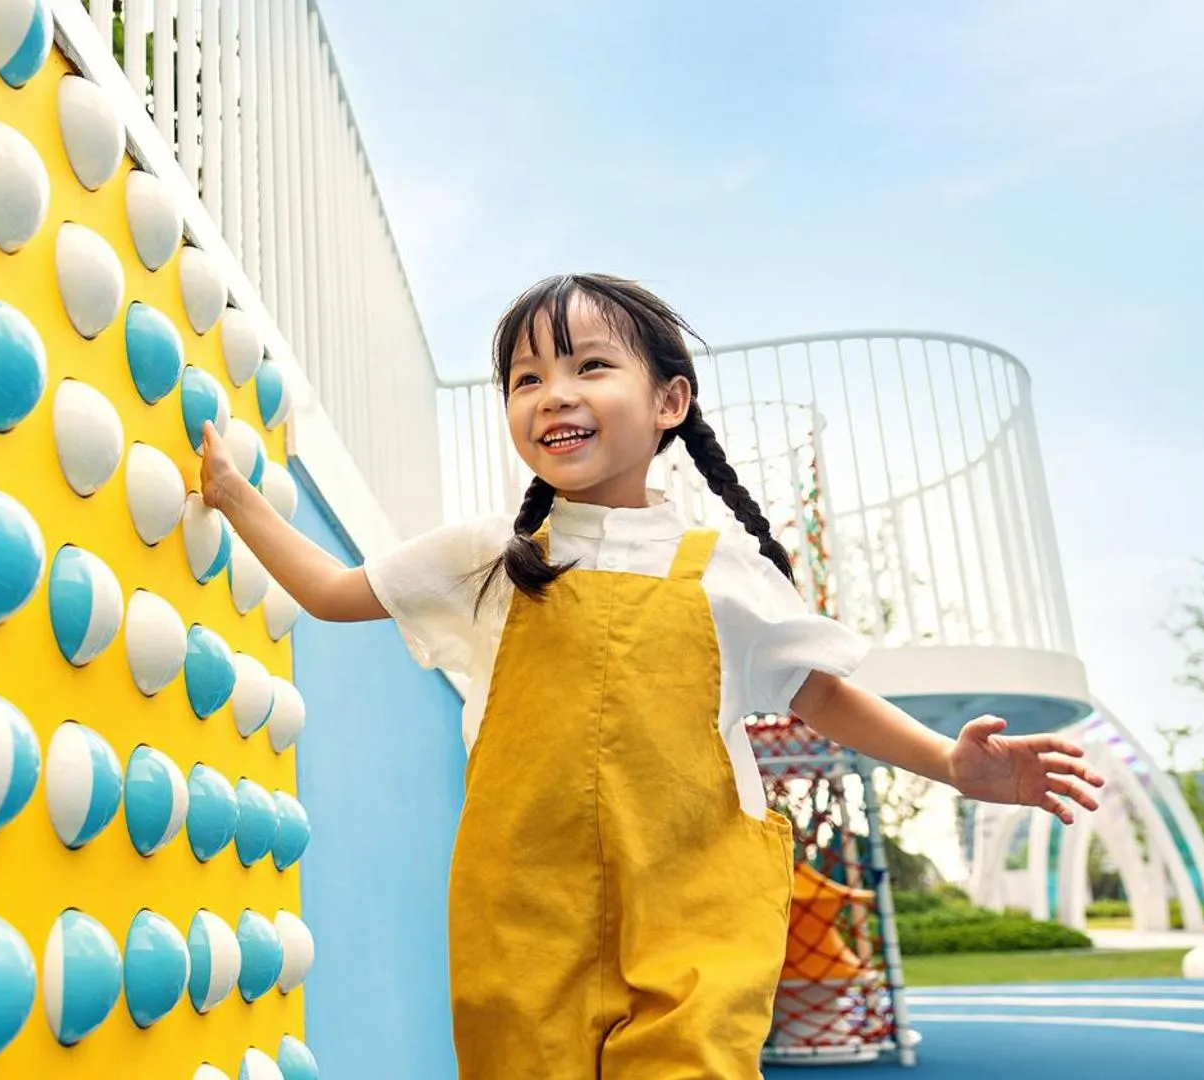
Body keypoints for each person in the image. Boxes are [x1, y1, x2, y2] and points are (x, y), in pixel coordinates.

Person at [198, 272, 1104, 1079]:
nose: (554, 394)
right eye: (525, 379)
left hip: (690, 904)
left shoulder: (721, 571)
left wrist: (948, 763)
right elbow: (333, 593)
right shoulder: (492, 556)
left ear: (669, 400)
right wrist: (234, 496)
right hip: (522, 907)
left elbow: (819, 693)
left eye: (589, 366)